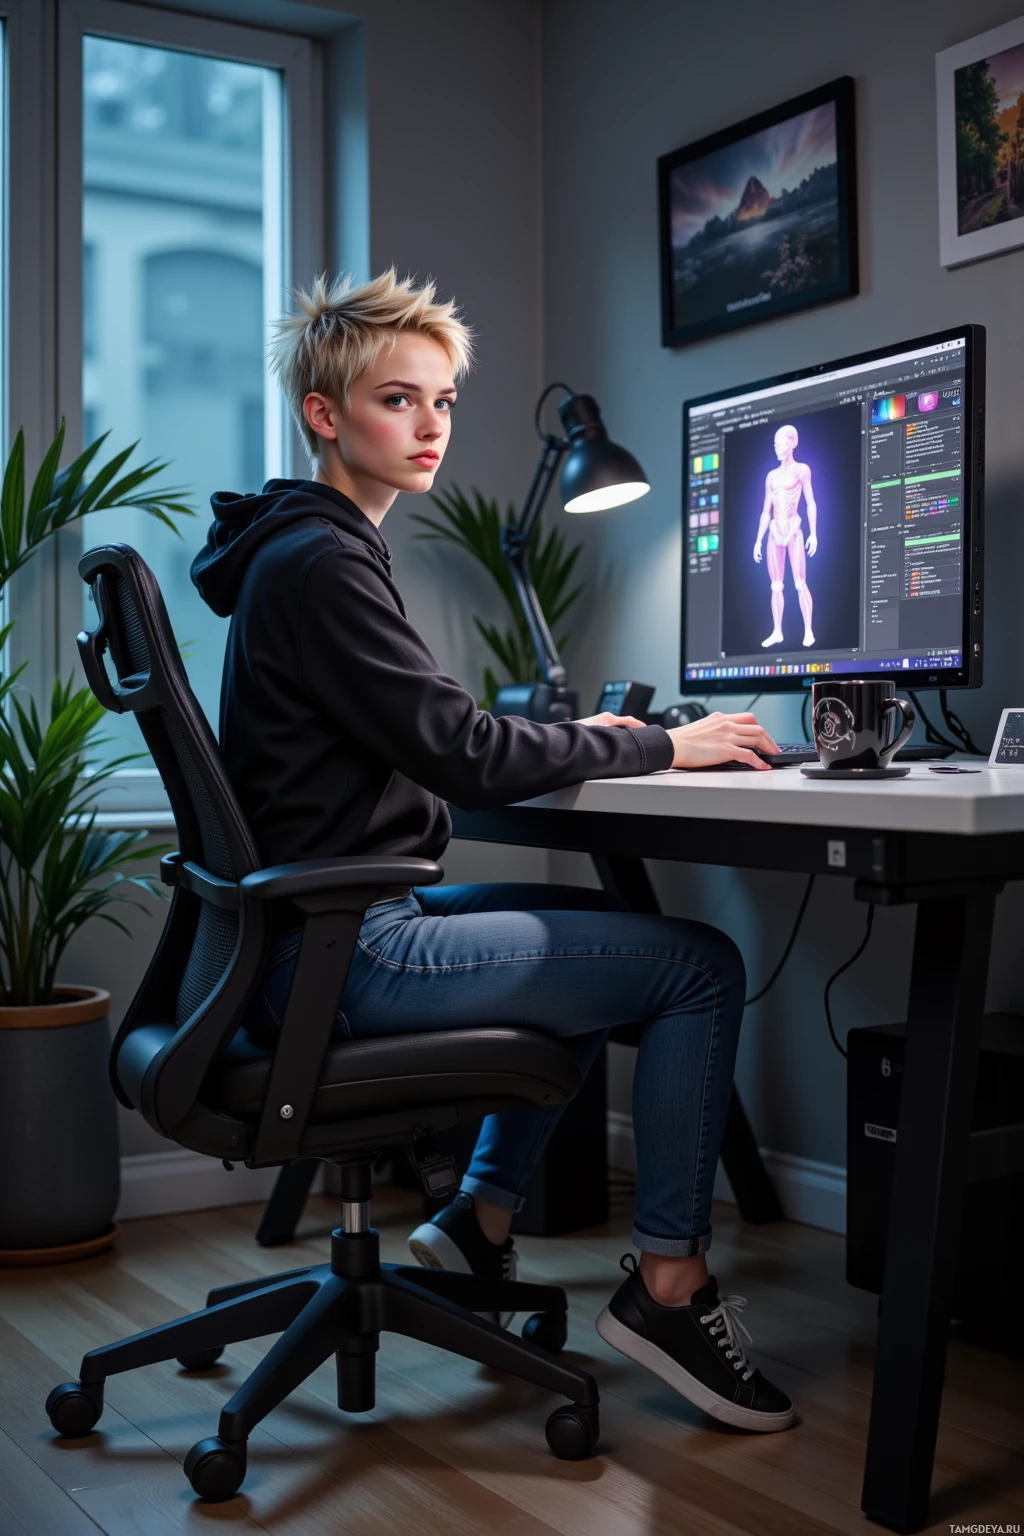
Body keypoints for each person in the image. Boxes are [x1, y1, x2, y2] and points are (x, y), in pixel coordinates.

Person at [191, 269, 794, 1434]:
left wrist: (611, 741)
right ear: (325, 414)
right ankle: (669, 1291)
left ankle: (479, 1222)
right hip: (346, 954)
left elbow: (436, 735)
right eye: (398, 400)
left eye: (445, 401)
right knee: (697, 965)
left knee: (602, 930)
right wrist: (661, 742)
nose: (431, 426)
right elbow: (462, 751)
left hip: (308, 938)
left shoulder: (299, 550)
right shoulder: (321, 563)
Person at [753, 423, 818, 649]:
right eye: (775, 444)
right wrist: (758, 540)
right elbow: (765, 511)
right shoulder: (771, 476)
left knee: (800, 583)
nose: (777, 448)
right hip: (774, 531)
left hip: (793, 529)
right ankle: (777, 631)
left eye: (780, 444)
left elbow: (811, 502)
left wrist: (814, 534)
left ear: (791, 444)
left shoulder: (802, 470)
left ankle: (808, 630)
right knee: (776, 585)